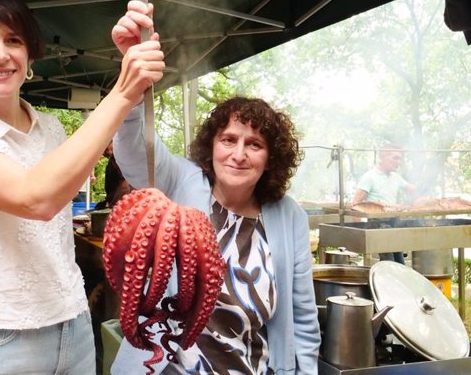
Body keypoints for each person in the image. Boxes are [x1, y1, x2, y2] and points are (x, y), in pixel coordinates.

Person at [0, 0, 163, 374]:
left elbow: (118, 157)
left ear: (30, 54)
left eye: (14, 40)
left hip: (75, 327)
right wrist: (122, 89)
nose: (1, 54)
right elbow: (36, 199)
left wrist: (133, 70)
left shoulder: (50, 128)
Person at [111, 92, 320, 371]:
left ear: (270, 159)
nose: (238, 154)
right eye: (228, 139)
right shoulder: (181, 181)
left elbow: (303, 317)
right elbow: (135, 151)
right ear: (212, 145)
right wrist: (134, 90)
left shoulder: (290, 216)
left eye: (254, 144)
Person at [351, 145, 416, 264]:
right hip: (378, 224)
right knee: (389, 263)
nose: (399, 162)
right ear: (382, 157)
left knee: (400, 263)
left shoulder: (395, 177)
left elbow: (412, 190)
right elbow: (356, 204)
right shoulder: (369, 177)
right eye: (395, 158)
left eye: (400, 159)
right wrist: (359, 231)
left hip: (395, 223)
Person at [95, 140, 130, 209]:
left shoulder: (120, 158)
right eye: (102, 149)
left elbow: (125, 186)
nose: (106, 152)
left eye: (106, 147)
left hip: (122, 206)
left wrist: (113, 204)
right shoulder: (113, 161)